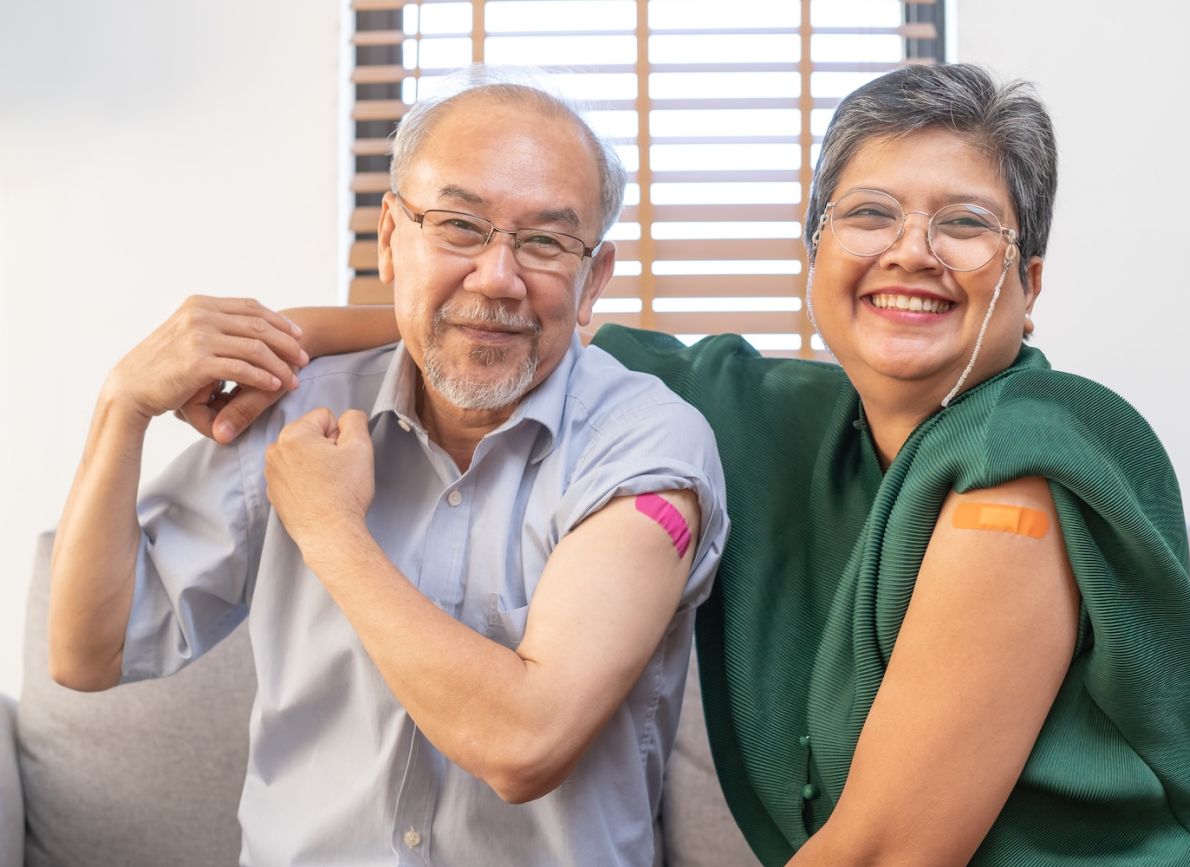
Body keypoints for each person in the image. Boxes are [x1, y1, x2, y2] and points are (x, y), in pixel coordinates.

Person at [197, 64, 1190, 864]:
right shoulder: (773, 415)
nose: (911, 251)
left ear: (1028, 283)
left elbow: (884, 855)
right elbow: (518, 316)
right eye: (869, 215)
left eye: (964, 224)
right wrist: (277, 343)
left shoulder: (1029, 455)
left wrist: (331, 523)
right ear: (813, 254)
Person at [47, 76, 728, 867]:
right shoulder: (299, 408)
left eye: (544, 241)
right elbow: (86, 653)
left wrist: (330, 529)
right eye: (459, 226)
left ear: (594, 280)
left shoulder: (648, 448)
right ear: (388, 239)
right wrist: (121, 403)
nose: (498, 275)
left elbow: (524, 742)